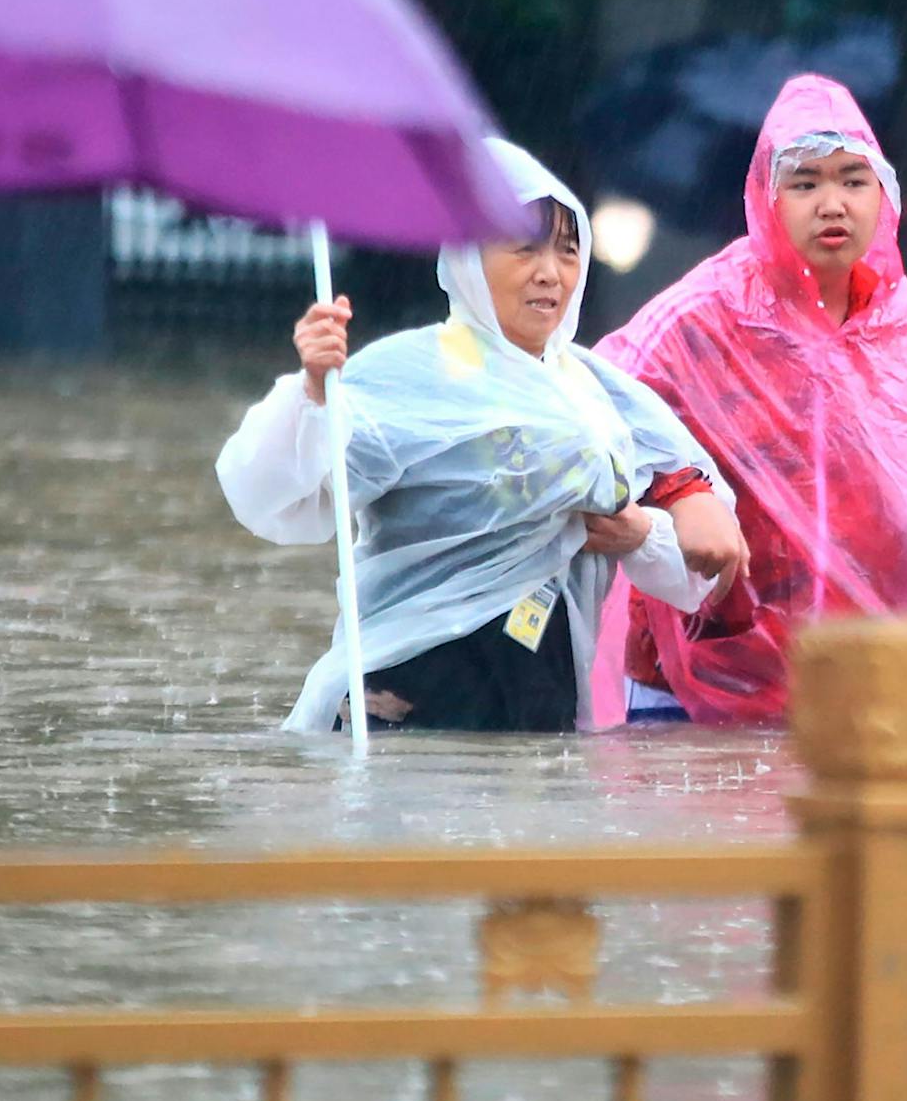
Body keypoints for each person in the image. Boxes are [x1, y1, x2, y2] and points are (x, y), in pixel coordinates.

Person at [217, 140, 744, 732]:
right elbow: (277, 498)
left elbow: (700, 569)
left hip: (542, 690)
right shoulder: (404, 374)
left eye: (568, 251)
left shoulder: (599, 393)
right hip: (410, 687)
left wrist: (644, 531)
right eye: (525, 248)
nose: (550, 272)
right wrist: (313, 393)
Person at [592, 74, 907, 724]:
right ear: (767, 197)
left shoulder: (903, 327)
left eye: (853, 180)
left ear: (883, 195)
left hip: (851, 683)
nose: (832, 204)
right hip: (694, 677)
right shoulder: (704, 316)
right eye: (805, 183)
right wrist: (681, 493)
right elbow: (594, 405)